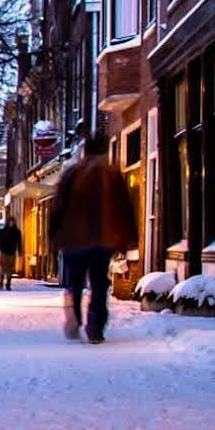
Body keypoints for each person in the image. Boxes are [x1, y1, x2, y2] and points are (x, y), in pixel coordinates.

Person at [48, 129, 138, 343]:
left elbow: (58, 205)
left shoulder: (72, 173)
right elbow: (124, 206)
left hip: (73, 239)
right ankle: (95, 326)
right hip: (101, 237)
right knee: (98, 282)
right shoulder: (112, 173)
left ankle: (74, 317)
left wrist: (53, 235)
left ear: (84, 151)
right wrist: (129, 236)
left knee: (74, 281)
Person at [0, 216, 23, 290]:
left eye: (12, 222)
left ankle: (8, 284)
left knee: (10, 269)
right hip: (4, 252)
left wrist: (20, 251)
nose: (11, 223)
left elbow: (19, 242)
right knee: (3, 268)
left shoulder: (16, 232)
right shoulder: (3, 231)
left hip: (12, 252)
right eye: (10, 222)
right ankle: (1, 282)